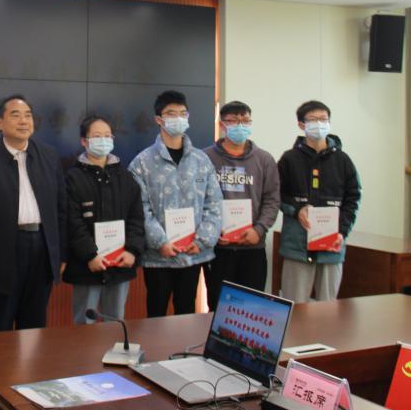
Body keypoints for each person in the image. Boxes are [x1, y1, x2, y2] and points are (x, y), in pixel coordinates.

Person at [0, 94, 66, 333]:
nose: (23, 121)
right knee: (0, 323)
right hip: (2, 251)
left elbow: (61, 209)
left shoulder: (49, 156)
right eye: (16, 115)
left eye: (28, 116)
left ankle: (31, 360)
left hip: (41, 247)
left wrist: (60, 253)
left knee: (35, 324)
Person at [128, 90, 222, 317]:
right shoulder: (142, 163)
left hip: (193, 253)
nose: (178, 118)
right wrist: (160, 242)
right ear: (158, 119)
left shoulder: (201, 160)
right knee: (156, 312)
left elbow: (214, 203)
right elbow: (140, 209)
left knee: (187, 311)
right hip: (158, 257)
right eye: (171, 113)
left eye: (182, 113)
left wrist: (202, 240)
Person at [63, 114, 145, 324]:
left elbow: (136, 218)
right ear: (84, 141)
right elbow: (72, 222)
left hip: (120, 265)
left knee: (116, 323)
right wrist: (90, 255)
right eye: (97, 136)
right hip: (86, 266)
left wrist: (132, 250)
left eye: (107, 136)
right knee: (85, 324)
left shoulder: (126, 178)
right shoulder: (72, 178)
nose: (103, 140)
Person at [278, 100, 361, 303]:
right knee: (295, 308)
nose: (319, 124)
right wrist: (297, 209)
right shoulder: (289, 159)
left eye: (323, 119)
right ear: (301, 124)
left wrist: (342, 231)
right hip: (297, 246)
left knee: (327, 309)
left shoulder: (343, 160)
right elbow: (276, 194)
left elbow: (353, 198)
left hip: (331, 247)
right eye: (313, 120)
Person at [201, 101, 280, 310]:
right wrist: (210, 231)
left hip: (253, 247)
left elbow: (272, 199)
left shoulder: (264, 159)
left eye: (245, 120)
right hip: (218, 248)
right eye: (234, 121)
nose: (240, 125)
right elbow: (197, 200)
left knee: (251, 308)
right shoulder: (204, 158)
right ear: (222, 125)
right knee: (218, 307)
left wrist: (259, 229)